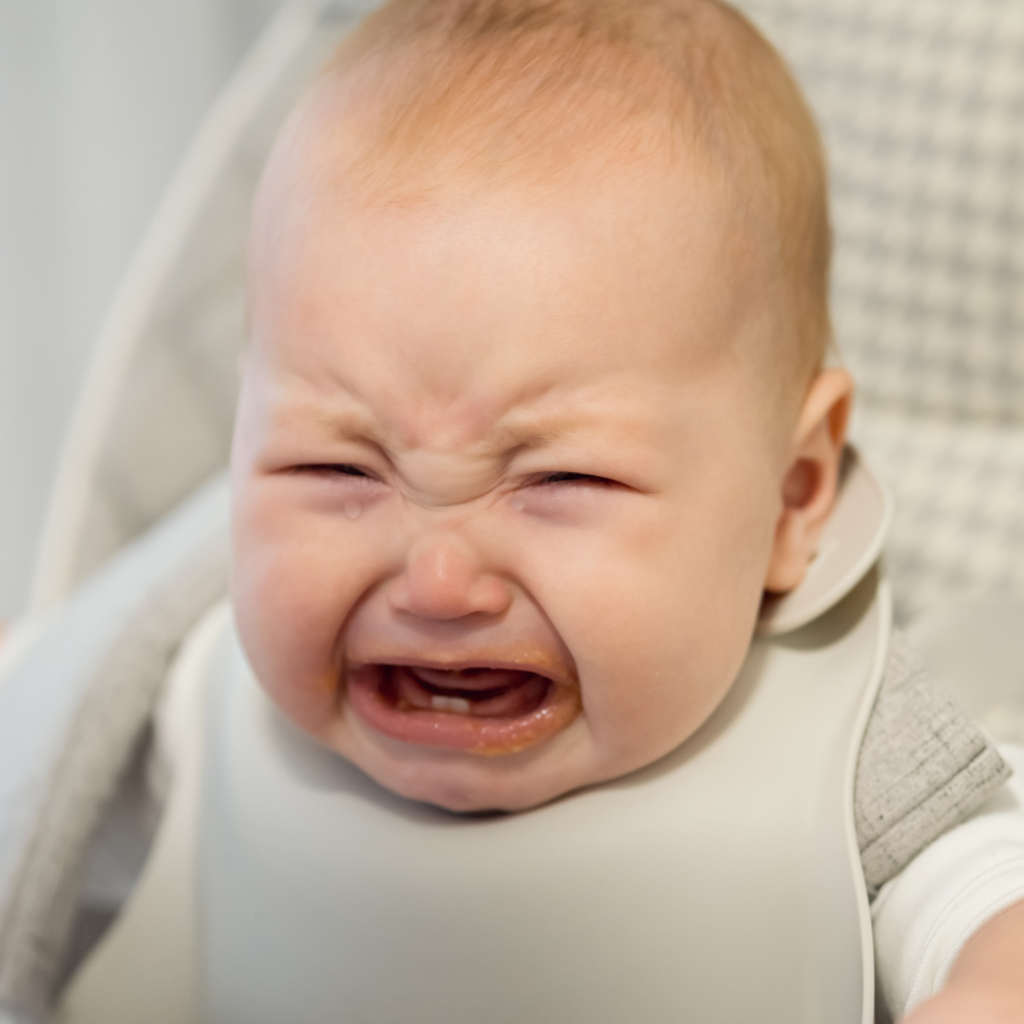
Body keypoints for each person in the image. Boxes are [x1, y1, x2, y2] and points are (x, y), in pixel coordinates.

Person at [222, 0, 1024, 1019]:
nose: (437, 581)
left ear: (791, 495)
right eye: (337, 469)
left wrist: (993, 979)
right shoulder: (196, 708)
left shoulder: (854, 744)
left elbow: (981, 881)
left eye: (563, 481)